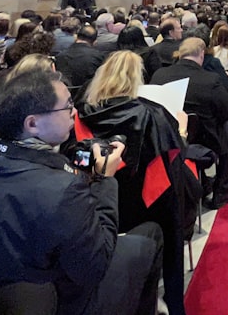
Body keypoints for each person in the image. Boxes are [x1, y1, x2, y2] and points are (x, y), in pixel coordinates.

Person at [0, 69, 163, 315]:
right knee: (151, 235)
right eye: (66, 107)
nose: (74, 113)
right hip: (50, 301)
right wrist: (104, 179)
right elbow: (94, 268)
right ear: (32, 123)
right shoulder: (61, 190)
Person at [79, 52, 194, 315]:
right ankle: (173, 303)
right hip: (147, 202)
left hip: (99, 199)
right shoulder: (152, 113)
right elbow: (174, 157)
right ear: (136, 79)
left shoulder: (82, 113)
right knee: (175, 207)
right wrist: (182, 132)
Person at [151, 37, 228, 209]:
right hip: (205, 139)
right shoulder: (210, 79)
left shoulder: (159, 75)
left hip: (167, 139)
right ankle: (222, 189)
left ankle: (206, 181)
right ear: (201, 54)